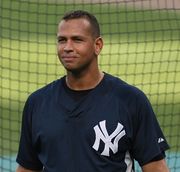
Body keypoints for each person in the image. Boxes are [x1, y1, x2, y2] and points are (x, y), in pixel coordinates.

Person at [16, 10, 170, 172]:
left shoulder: (130, 100)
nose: (67, 47)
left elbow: (156, 168)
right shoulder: (38, 102)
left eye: (77, 40)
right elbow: (27, 167)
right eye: (62, 40)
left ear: (98, 45)